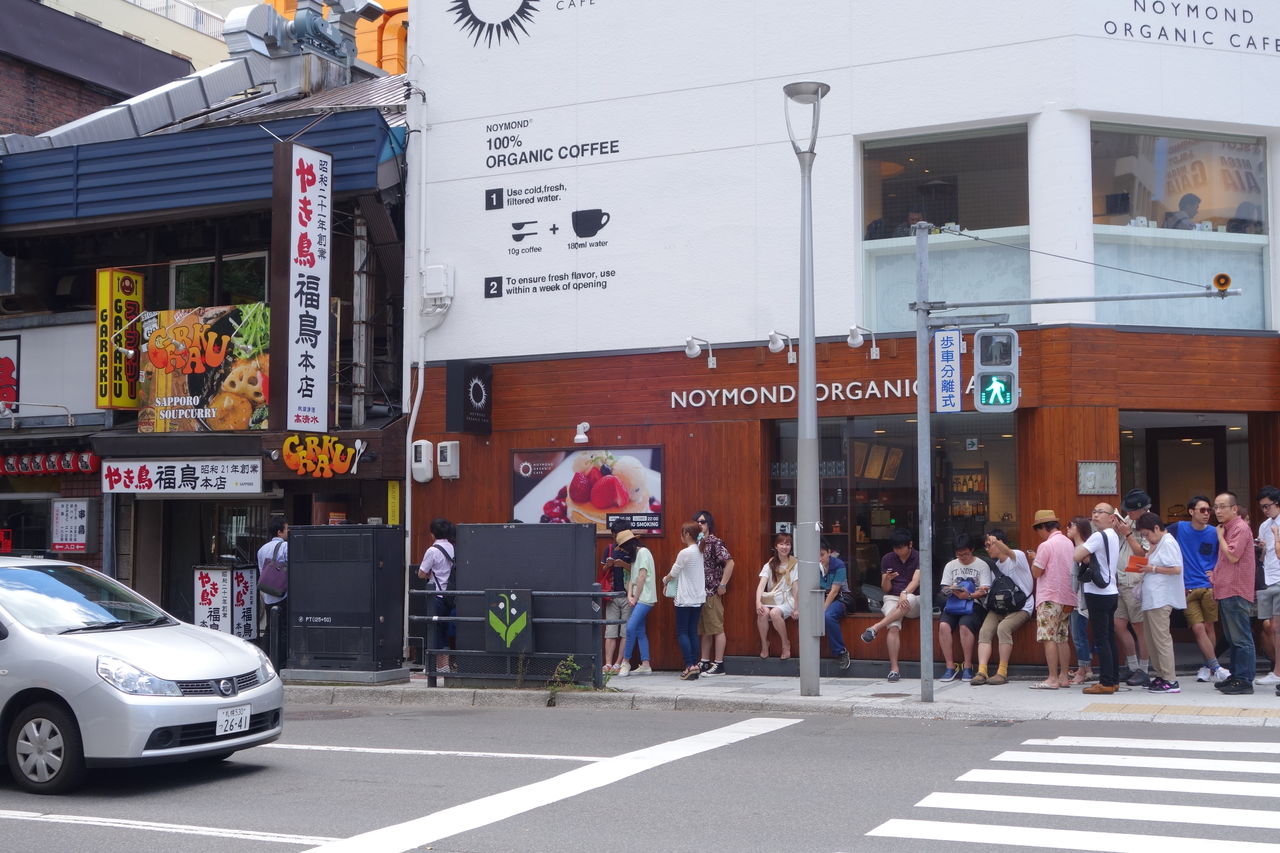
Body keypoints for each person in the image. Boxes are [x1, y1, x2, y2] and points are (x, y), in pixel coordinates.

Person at [1167, 495, 1230, 683]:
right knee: (1197, 627)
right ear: (1191, 512)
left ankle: (1207, 667)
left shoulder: (1215, 532)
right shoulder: (1178, 528)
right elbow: (1160, 541)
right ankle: (1215, 666)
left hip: (1209, 586)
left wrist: (1216, 574)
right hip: (1187, 587)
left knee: (1209, 626)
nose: (1207, 513)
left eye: (1209, 510)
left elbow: (1226, 555)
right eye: (1202, 510)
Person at [971, 529, 1033, 686]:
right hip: (1000, 606)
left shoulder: (1017, 556)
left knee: (1003, 628)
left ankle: (1002, 672)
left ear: (1000, 542)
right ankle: (982, 671)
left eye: (989, 544)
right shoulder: (995, 567)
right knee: (985, 631)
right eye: (986, 546)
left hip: (1022, 606)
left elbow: (1009, 552)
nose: (987, 549)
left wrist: (995, 541)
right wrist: (980, 592)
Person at [860, 528, 922, 682]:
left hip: (915, 598)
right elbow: (886, 589)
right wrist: (887, 579)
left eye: (901, 547)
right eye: (895, 548)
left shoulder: (919, 557)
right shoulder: (887, 559)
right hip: (892, 597)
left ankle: (875, 628)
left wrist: (904, 593)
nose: (898, 551)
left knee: (909, 600)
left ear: (910, 544)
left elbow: (916, 581)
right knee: (893, 626)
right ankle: (894, 669)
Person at [1212, 491, 1258, 695]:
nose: (1218, 511)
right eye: (1216, 507)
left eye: (1222, 507)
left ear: (1234, 508)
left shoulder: (1240, 527)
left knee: (1241, 639)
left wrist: (1219, 537)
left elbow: (1232, 555)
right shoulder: (1227, 528)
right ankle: (1236, 676)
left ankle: (1245, 680)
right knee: (1233, 638)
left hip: (1236, 590)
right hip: (1226, 590)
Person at [1134, 512, 1185, 693]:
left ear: (1156, 528)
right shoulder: (1158, 543)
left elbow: (1176, 569)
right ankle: (1161, 675)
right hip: (1152, 598)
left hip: (1161, 598)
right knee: (1151, 639)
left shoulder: (1168, 542)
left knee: (1161, 639)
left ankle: (1170, 679)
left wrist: (1153, 568)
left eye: (1147, 534)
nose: (1147, 538)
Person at [1073, 503, 1121, 694]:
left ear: (1112, 518)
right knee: (1109, 638)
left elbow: (1077, 555)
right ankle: (1114, 680)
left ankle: (1106, 683)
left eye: (1101, 512)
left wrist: (1083, 548)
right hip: (1111, 591)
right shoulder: (1113, 535)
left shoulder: (1098, 536)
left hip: (1098, 593)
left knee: (1102, 639)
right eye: (1094, 511)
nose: (1095, 515)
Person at [1030, 510, 1077, 689]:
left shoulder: (1046, 545)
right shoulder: (1068, 542)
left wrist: (1034, 559)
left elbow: (1037, 572)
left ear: (1043, 527)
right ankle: (1064, 677)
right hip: (1067, 598)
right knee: (1062, 637)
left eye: (1038, 530)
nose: (1039, 534)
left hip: (1049, 596)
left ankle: (1052, 678)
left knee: (1048, 637)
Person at [937, 533, 992, 682]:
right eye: (959, 554)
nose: (962, 557)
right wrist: (952, 589)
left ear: (972, 549)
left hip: (974, 604)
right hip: (954, 604)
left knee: (964, 626)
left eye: (965, 554)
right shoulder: (951, 565)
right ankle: (950, 666)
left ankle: (967, 666)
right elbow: (944, 588)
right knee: (943, 626)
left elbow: (985, 590)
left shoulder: (982, 565)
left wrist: (969, 596)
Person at [1113, 489, 1153, 686]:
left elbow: (1143, 554)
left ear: (1142, 509)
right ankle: (1132, 666)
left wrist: (1127, 533)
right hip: (1119, 580)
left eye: (1131, 510)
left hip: (1135, 581)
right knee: (1118, 625)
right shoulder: (1128, 520)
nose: (1128, 513)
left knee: (1139, 627)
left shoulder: (1150, 524)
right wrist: (1118, 529)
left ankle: (1143, 669)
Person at [693, 510, 735, 677]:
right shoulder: (696, 544)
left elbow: (730, 563)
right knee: (705, 629)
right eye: (697, 522)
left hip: (711, 591)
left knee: (717, 628)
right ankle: (704, 661)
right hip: (699, 593)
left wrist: (722, 584)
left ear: (709, 524)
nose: (699, 524)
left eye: (702, 522)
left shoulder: (715, 542)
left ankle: (719, 664)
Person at [665, 521, 708, 680]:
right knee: (692, 631)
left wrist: (664, 580)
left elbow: (673, 573)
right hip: (698, 598)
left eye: (682, 533)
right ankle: (695, 665)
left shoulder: (685, 553)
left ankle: (689, 665)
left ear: (688, 534)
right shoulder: (700, 551)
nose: (681, 536)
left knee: (682, 631)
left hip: (685, 598)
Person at [417, 517, 456, 674]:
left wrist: (429, 574)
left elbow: (421, 573)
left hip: (437, 596)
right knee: (444, 629)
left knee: (435, 630)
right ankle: (445, 664)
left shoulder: (432, 551)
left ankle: (439, 666)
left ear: (432, 533)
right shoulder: (453, 548)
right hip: (451, 596)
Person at [615, 528, 656, 677]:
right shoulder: (636, 556)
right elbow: (632, 579)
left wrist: (634, 598)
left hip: (645, 598)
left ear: (629, 544)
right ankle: (646, 664)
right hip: (639, 598)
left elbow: (642, 577)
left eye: (624, 547)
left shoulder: (643, 553)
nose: (624, 551)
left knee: (630, 627)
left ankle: (625, 662)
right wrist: (630, 596)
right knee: (639, 631)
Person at [755, 533, 799, 659]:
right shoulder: (770, 564)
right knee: (763, 612)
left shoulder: (795, 564)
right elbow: (761, 585)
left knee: (774, 613)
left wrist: (796, 608)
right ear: (776, 546)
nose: (784, 547)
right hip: (772, 599)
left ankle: (785, 644)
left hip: (788, 600)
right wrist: (758, 602)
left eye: (787, 544)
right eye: (781, 544)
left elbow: (796, 588)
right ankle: (765, 644)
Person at [599, 524, 634, 676]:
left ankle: (618, 663)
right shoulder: (609, 548)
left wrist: (623, 564)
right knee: (610, 631)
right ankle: (608, 663)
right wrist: (608, 565)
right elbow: (602, 571)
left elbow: (637, 571)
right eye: (616, 534)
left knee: (625, 632)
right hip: (611, 596)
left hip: (628, 595)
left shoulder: (631, 550)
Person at [1065, 517, 1096, 686]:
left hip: (1080, 599)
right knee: (1079, 635)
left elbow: (1077, 577)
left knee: (1078, 636)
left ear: (1079, 528)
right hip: (1078, 598)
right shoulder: (1078, 548)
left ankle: (1083, 671)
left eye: (1070, 525)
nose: (1067, 528)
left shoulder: (1084, 549)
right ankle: (1086, 668)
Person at [1255, 487, 1280, 688]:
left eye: (1267, 506)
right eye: (1262, 507)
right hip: (1267, 577)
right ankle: (1276, 668)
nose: (1265, 510)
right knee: (1269, 626)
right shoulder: (1264, 526)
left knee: (1277, 627)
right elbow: (1264, 556)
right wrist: (1261, 548)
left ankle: (1277, 671)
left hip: (1278, 577)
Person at [256, 516, 289, 663]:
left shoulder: (262, 549)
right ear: (279, 532)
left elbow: (262, 571)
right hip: (283, 593)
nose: (288, 532)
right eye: (286, 529)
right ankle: (280, 661)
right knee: (283, 629)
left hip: (268, 594)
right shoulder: (286, 547)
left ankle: (266, 659)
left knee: (270, 628)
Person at [819, 540, 851, 670]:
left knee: (827, 615)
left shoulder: (838, 565)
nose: (819, 559)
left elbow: (834, 591)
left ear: (829, 553)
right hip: (819, 597)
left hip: (840, 598)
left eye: (822, 555)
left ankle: (841, 651)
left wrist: (822, 609)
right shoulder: (812, 566)